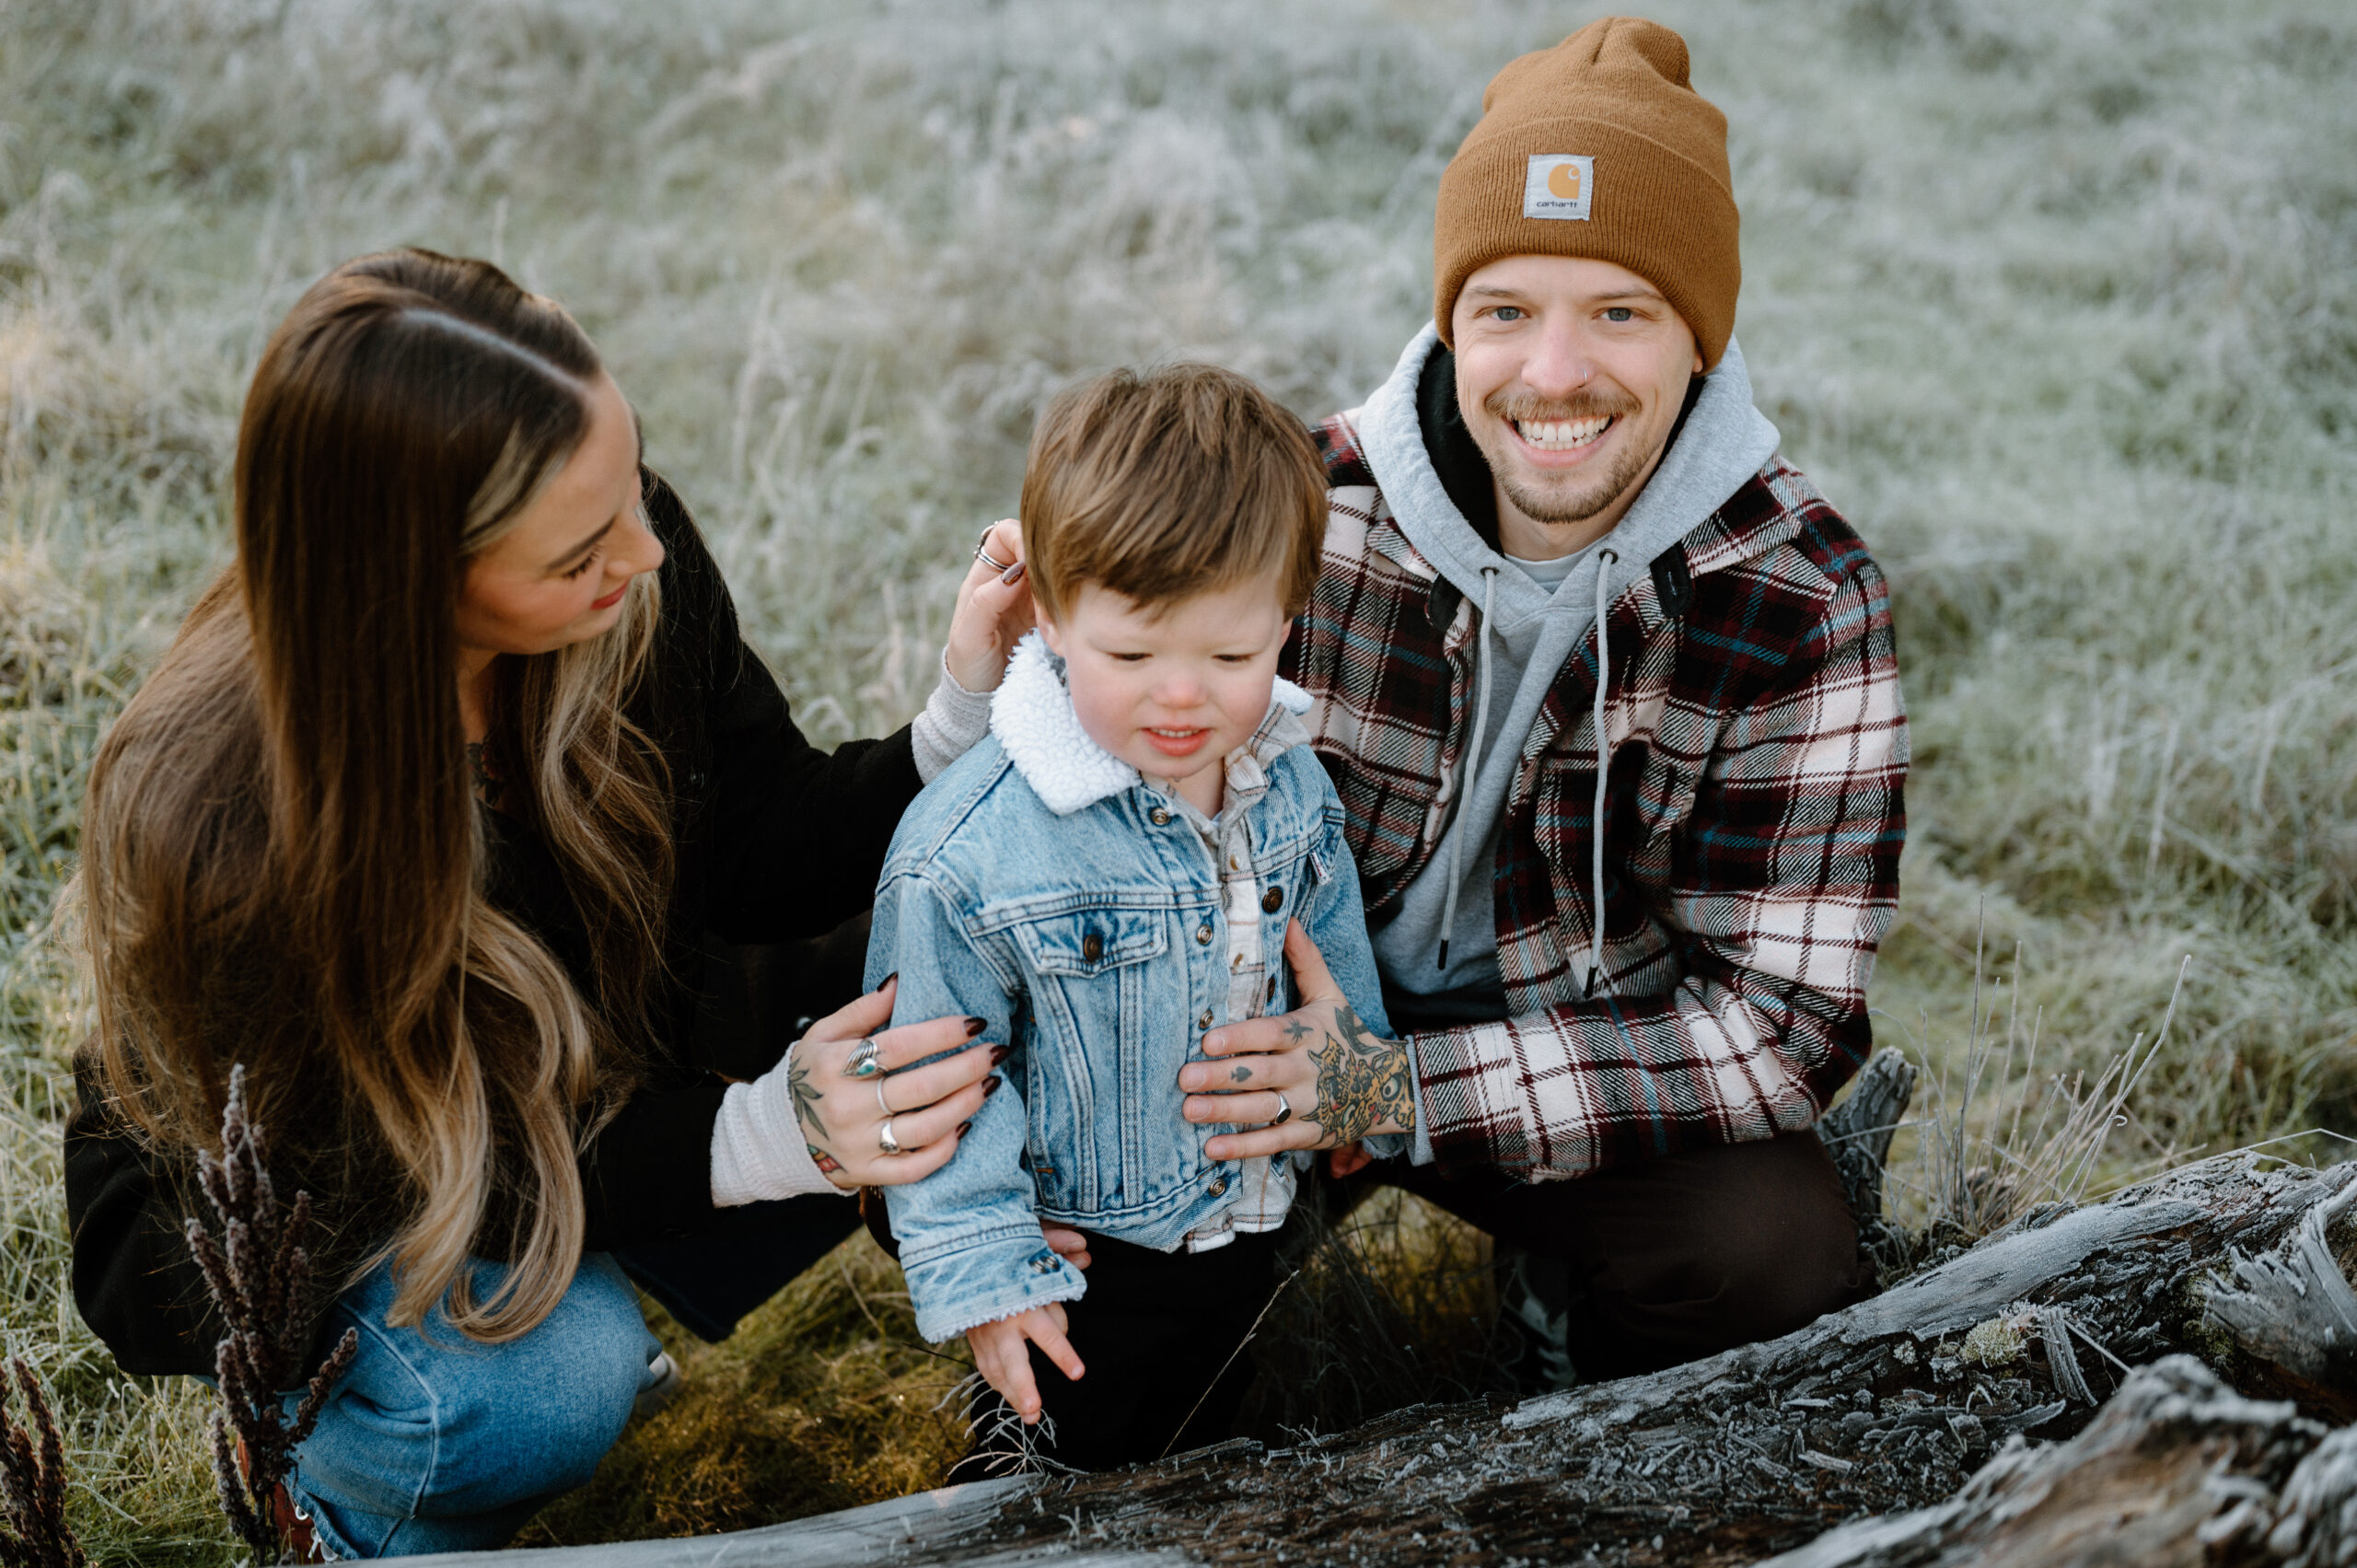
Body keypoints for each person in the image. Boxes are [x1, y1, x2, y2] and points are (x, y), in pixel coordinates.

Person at [64, 249, 1074, 1557]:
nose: (647, 550)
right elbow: (423, 1163)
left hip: (590, 1058)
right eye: (583, 548)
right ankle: (343, 1473)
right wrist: (762, 1136)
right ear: (412, 584)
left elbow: (758, 843)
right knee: (556, 1384)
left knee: (982, 962)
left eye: (631, 486)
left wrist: (958, 714)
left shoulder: (626, 563)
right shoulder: (234, 834)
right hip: (329, 1215)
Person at [1175, 17, 1910, 1386]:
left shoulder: (1801, 596)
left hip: (1577, 1049)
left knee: (1770, 1247)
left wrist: (1399, 1094)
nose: (1554, 373)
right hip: (1267, 1017)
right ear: (1451, 318)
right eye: (1506, 310)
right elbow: (1095, 785)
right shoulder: (1299, 505)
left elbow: (1781, 1027)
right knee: (1109, 1354)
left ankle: (1599, 1414)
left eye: (1619, 311)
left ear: (1699, 333)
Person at [865, 365, 1396, 1470]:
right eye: (1133, 653)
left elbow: (1324, 936)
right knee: (1060, 1464)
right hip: (1077, 1254)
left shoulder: (1286, 782)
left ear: (1286, 621)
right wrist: (984, 1262)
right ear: (1052, 615)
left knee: (1215, 1427)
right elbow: (931, 1073)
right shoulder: (970, 854)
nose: (1181, 695)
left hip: (1248, 1204)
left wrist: (1357, 1082)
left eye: (1230, 654)